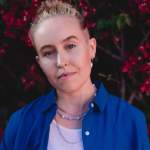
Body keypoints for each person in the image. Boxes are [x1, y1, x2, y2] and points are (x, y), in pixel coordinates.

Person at [0, 0, 149, 150]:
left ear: (91, 48)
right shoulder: (21, 124)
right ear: (40, 63)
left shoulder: (130, 120)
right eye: (48, 53)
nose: (60, 62)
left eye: (70, 46)